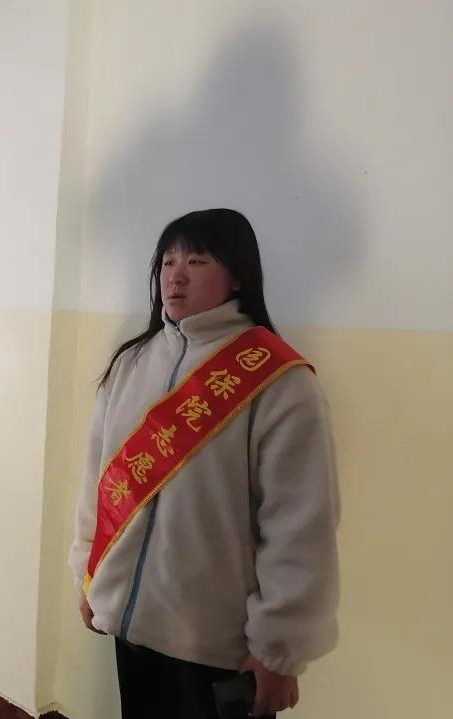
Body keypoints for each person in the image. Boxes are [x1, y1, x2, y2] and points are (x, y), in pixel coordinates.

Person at [69, 209, 339, 718]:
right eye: (167, 262)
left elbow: (299, 527)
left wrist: (279, 649)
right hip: (131, 632)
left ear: (237, 277)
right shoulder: (130, 364)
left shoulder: (280, 382)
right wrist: (90, 575)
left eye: (196, 261)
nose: (175, 276)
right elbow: (97, 485)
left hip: (218, 648)